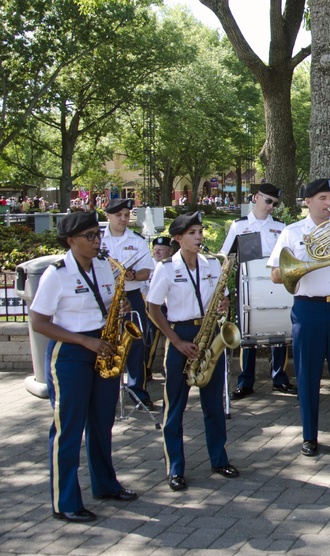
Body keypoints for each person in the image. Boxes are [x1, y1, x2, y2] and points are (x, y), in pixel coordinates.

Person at [29, 212, 138, 523]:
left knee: (102, 423)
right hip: (71, 353)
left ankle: (105, 484)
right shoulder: (57, 274)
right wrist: (84, 342)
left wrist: (121, 309)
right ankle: (65, 502)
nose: (96, 241)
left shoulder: (104, 266)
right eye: (89, 236)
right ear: (70, 240)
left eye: (97, 234)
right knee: (69, 429)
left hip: (102, 346)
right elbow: (38, 323)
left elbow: (106, 302)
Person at [268, 178, 330, 457]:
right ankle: (309, 436)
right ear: (308, 202)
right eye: (323, 198)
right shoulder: (292, 232)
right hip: (307, 309)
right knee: (307, 374)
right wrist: (301, 268)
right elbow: (276, 274)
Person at [146, 212, 240, 491]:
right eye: (192, 233)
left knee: (214, 404)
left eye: (200, 232)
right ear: (178, 238)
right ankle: (175, 467)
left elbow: (219, 297)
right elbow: (153, 309)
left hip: (209, 335)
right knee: (174, 406)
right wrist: (175, 341)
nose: (199, 237)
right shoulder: (165, 268)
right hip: (181, 335)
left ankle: (219, 459)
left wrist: (223, 303)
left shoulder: (211, 264)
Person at [220, 183, 296, 400]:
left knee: (279, 330)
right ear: (256, 198)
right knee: (247, 330)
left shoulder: (281, 228)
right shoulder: (239, 226)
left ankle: (280, 378)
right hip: (248, 286)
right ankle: (245, 381)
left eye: (275, 203)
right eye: (268, 201)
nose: (271, 206)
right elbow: (226, 257)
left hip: (274, 284)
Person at [100, 198, 156, 410]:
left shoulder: (137, 240)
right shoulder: (98, 239)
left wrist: (132, 275)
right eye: (118, 215)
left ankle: (138, 393)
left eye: (126, 215)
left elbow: (146, 272)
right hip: (105, 298)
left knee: (135, 344)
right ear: (108, 216)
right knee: (105, 342)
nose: (123, 219)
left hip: (130, 297)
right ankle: (106, 392)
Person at [144, 236, 176, 379]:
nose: (157, 252)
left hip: (170, 307)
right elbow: (143, 289)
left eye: (161, 250)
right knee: (151, 335)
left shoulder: (173, 265)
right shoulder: (148, 266)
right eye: (155, 249)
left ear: (170, 251)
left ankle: (168, 369)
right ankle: (145, 370)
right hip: (152, 307)